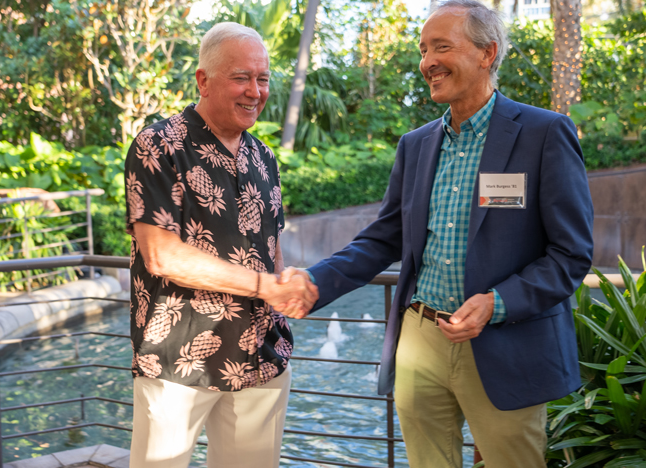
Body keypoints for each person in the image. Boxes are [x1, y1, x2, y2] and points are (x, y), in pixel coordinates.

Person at [280, 1, 593, 466]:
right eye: (424, 49)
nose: (427, 61)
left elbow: (571, 254)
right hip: (420, 337)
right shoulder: (416, 144)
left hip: (507, 341)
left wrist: (497, 302)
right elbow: (382, 239)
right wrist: (315, 281)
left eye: (441, 47)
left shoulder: (545, 133)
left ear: (487, 54)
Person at [124, 22, 318, 468]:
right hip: (177, 365)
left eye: (263, 78)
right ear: (203, 81)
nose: (255, 90)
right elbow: (161, 253)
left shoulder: (264, 156)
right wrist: (265, 286)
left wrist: (287, 288)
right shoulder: (159, 144)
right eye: (241, 77)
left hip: (261, 361)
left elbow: (272, 249)